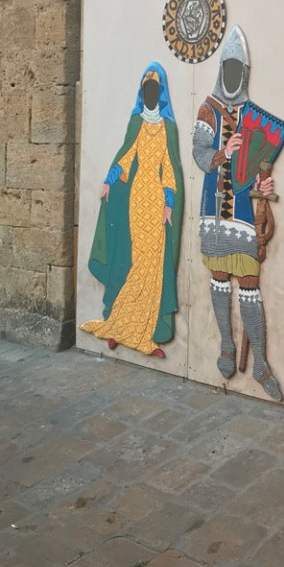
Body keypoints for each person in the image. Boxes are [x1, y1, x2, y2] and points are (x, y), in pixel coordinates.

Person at [192, 26, 283, 402]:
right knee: (219, 278)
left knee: (249, 284)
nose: (232, 76)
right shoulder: (208, 110)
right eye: (227, 68)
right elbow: (199, 154)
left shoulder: (251, 116)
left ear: (244, 74)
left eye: (237, 70)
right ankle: (227, 345)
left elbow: (259, 165)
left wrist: (264, 183)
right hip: (215, 211)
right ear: (221, 70)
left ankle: (260, 363)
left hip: (244, 213)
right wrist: (223, 152)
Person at [81, 62, 184, 356]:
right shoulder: (137, 122)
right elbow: (127, 156)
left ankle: (143, 332)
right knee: (138, 262)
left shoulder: (168, 128)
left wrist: (169, 204)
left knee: (153, 266)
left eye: (154, 89)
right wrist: (109, 181)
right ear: (142, 92)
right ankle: (120, 324)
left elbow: (169, 169)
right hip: (137, 200)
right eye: (146, 89)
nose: (150, 94)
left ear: (160, 92)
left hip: (156, 199)